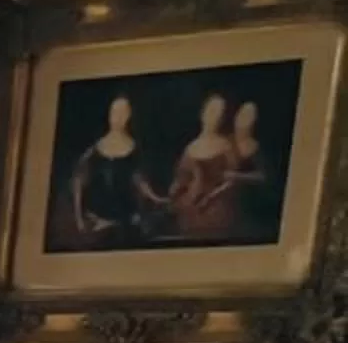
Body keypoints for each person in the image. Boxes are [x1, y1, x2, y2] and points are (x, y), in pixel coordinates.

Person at [67, 92, 156, 245]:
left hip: (127, 220)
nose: (118, 117)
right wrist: (79, 219)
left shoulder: (134, 149)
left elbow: (140, 181)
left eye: (123, 113)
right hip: (97, 221)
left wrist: (155, 198)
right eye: (115, 112)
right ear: (109, 114)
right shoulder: (94, 150)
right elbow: (78, 183)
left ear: (129, 116)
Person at [166, 91, 243, 241]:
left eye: (219, 112)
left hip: (217, 210)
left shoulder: (226, 146)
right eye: (212, 111)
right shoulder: (190, 148)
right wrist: (173, 191)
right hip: (191, 209)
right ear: (203, 113)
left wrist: (210, 197)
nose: (215, 116)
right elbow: (181, 179)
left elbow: (233, 181)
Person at [230, 98, 282, 243]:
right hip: (230, 202)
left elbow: (265, 177)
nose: (243, 121)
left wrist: (237, 177)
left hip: (250, 206)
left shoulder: (255, 149)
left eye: (249, 116)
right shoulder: (228, 143)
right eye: (242, 115)